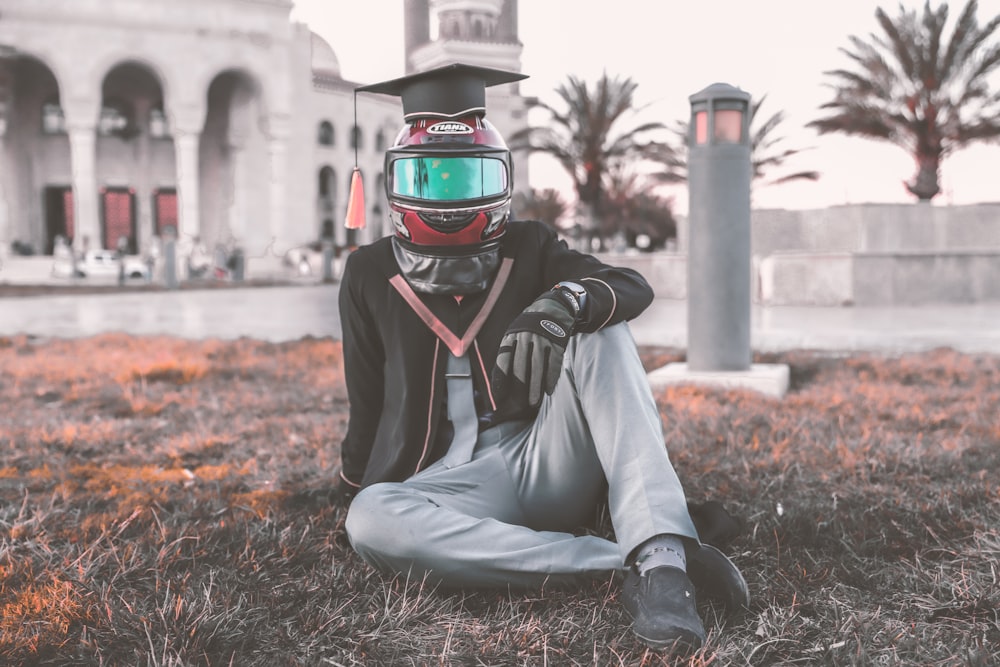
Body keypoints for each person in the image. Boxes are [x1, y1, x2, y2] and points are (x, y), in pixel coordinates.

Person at [337, 63, 748, 655]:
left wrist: (564, 300)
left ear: (501, 180)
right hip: (445, 485)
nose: (451, 198)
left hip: (542, 457)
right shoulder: (368, 271)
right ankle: (627, 567)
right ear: (394, 182)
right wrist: (351, 484)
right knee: (370, 518)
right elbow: (366, 397)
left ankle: (660, 556)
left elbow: (629, 285)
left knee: (600, 328)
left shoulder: (530, 246)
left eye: (470, 177)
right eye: (429, 178)